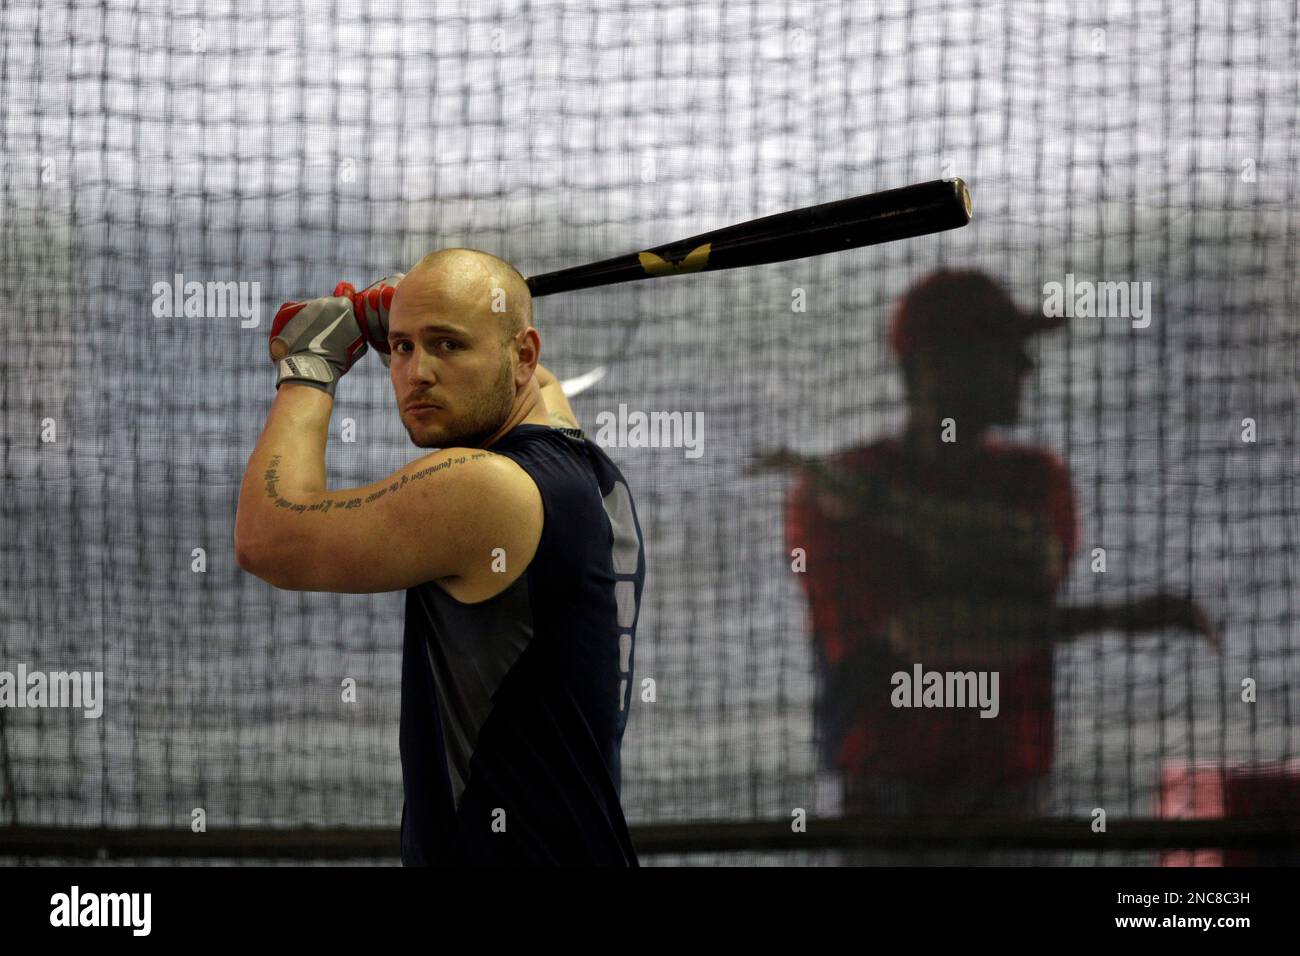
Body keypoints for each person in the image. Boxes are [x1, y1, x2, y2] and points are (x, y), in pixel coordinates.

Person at [760, 269, 1216, 864]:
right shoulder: (832, 492)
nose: (1025, 369)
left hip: (1012, 807)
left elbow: (1020, 581)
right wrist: (1116, 616)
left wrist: (880, 510)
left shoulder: (1023, 478)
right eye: (1004, 351)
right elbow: (930, 632)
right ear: (935, 368)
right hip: (887, 818)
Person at [235, 248, 646, 865]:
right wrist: (436, 313)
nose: (416, 372)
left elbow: (267, 538)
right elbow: (542, 382)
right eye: (400, 347)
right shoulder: (580, 463)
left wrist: (309, 366)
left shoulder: (484, 489)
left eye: (448, 346)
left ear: (523, 355)